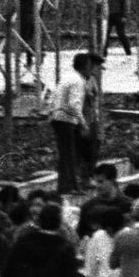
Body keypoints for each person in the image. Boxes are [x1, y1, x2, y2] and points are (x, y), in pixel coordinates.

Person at [51, 52, 103, 195]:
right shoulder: (78, 81)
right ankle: (70, 187)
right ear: (86, 66)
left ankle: (66, 186)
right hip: (66, 119)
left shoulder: (69, 77)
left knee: (66, 154)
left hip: (59, 117)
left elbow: (55, 97)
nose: (92, 69)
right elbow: (74, 105)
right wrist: (83, 123)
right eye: (90, 66)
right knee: (70, 154)